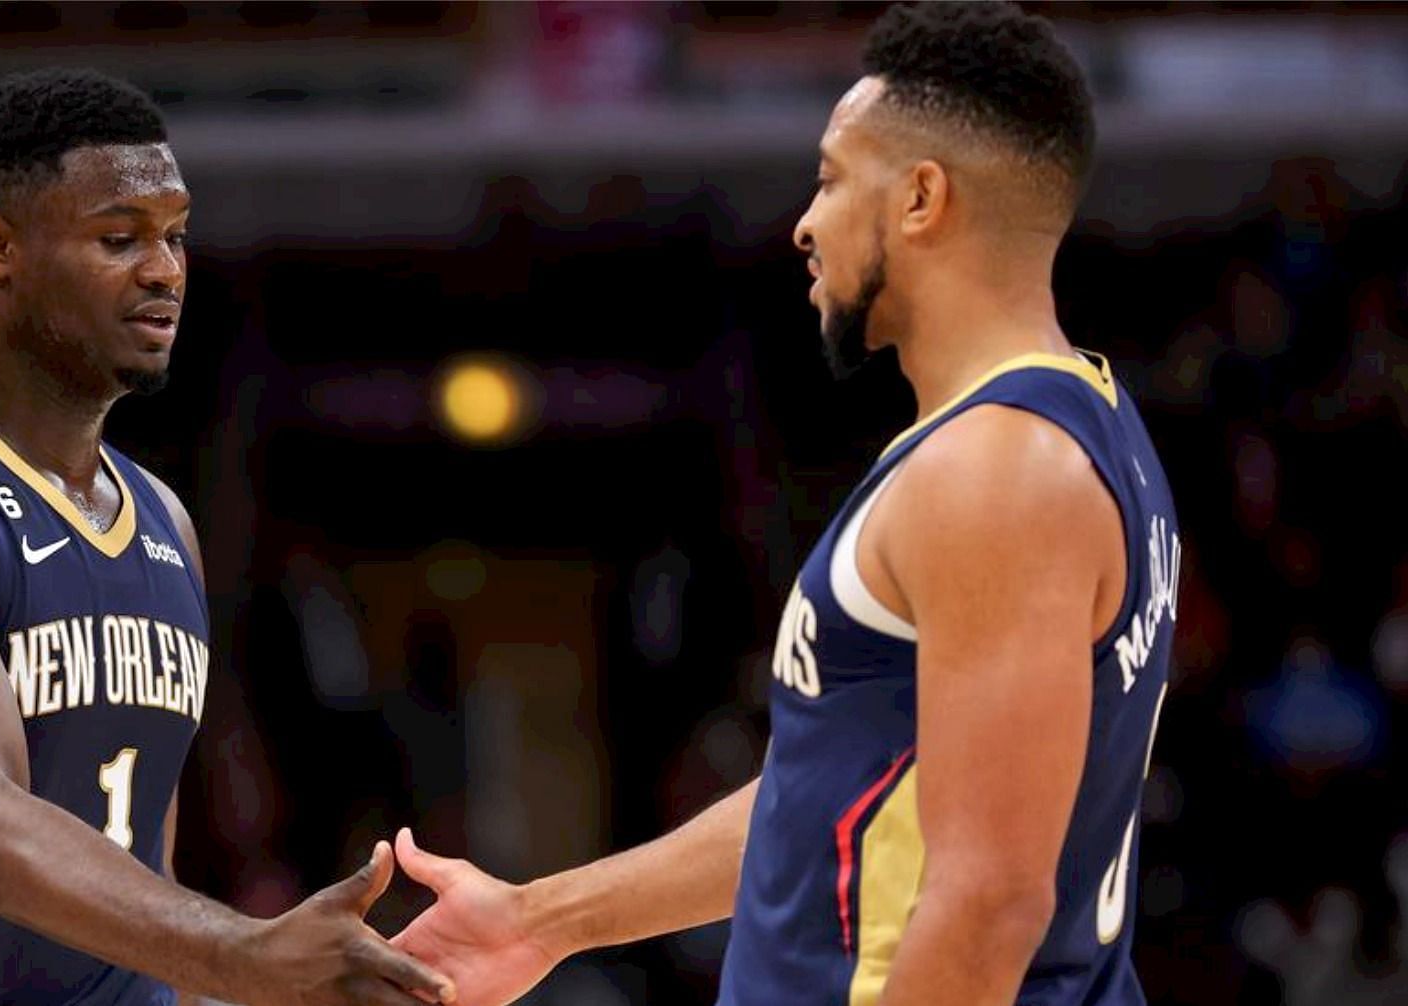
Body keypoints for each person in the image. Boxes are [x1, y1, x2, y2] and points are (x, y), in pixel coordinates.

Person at [388, 4, 1180, 1005]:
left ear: (923, 199)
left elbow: (989, 908)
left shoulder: (1002, 470)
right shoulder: (1055, 436)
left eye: (835, 178)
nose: (807, 221)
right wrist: (543, 919)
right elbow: (830, 792)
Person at [0, 68, 456, 1006]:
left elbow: (140, 899)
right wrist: (241, 953)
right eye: (121, 239)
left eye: (176, 235)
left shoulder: (163, 524)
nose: (165, 270)